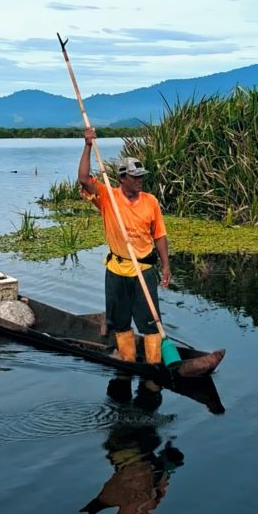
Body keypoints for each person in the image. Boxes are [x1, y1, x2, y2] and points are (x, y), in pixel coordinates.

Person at [78, 126, 172, 364]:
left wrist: (165, 267)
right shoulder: (108, 196)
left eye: (141, 177)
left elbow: (159, 236)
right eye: (134, 177)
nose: (139, 181)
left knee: (151, 323)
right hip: (117, 270)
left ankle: (153, 368)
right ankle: (127, 363)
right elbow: (83, 179)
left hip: (144, 269)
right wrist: (88, 145)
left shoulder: (150, 202)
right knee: (120, 322)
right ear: (122, 178)